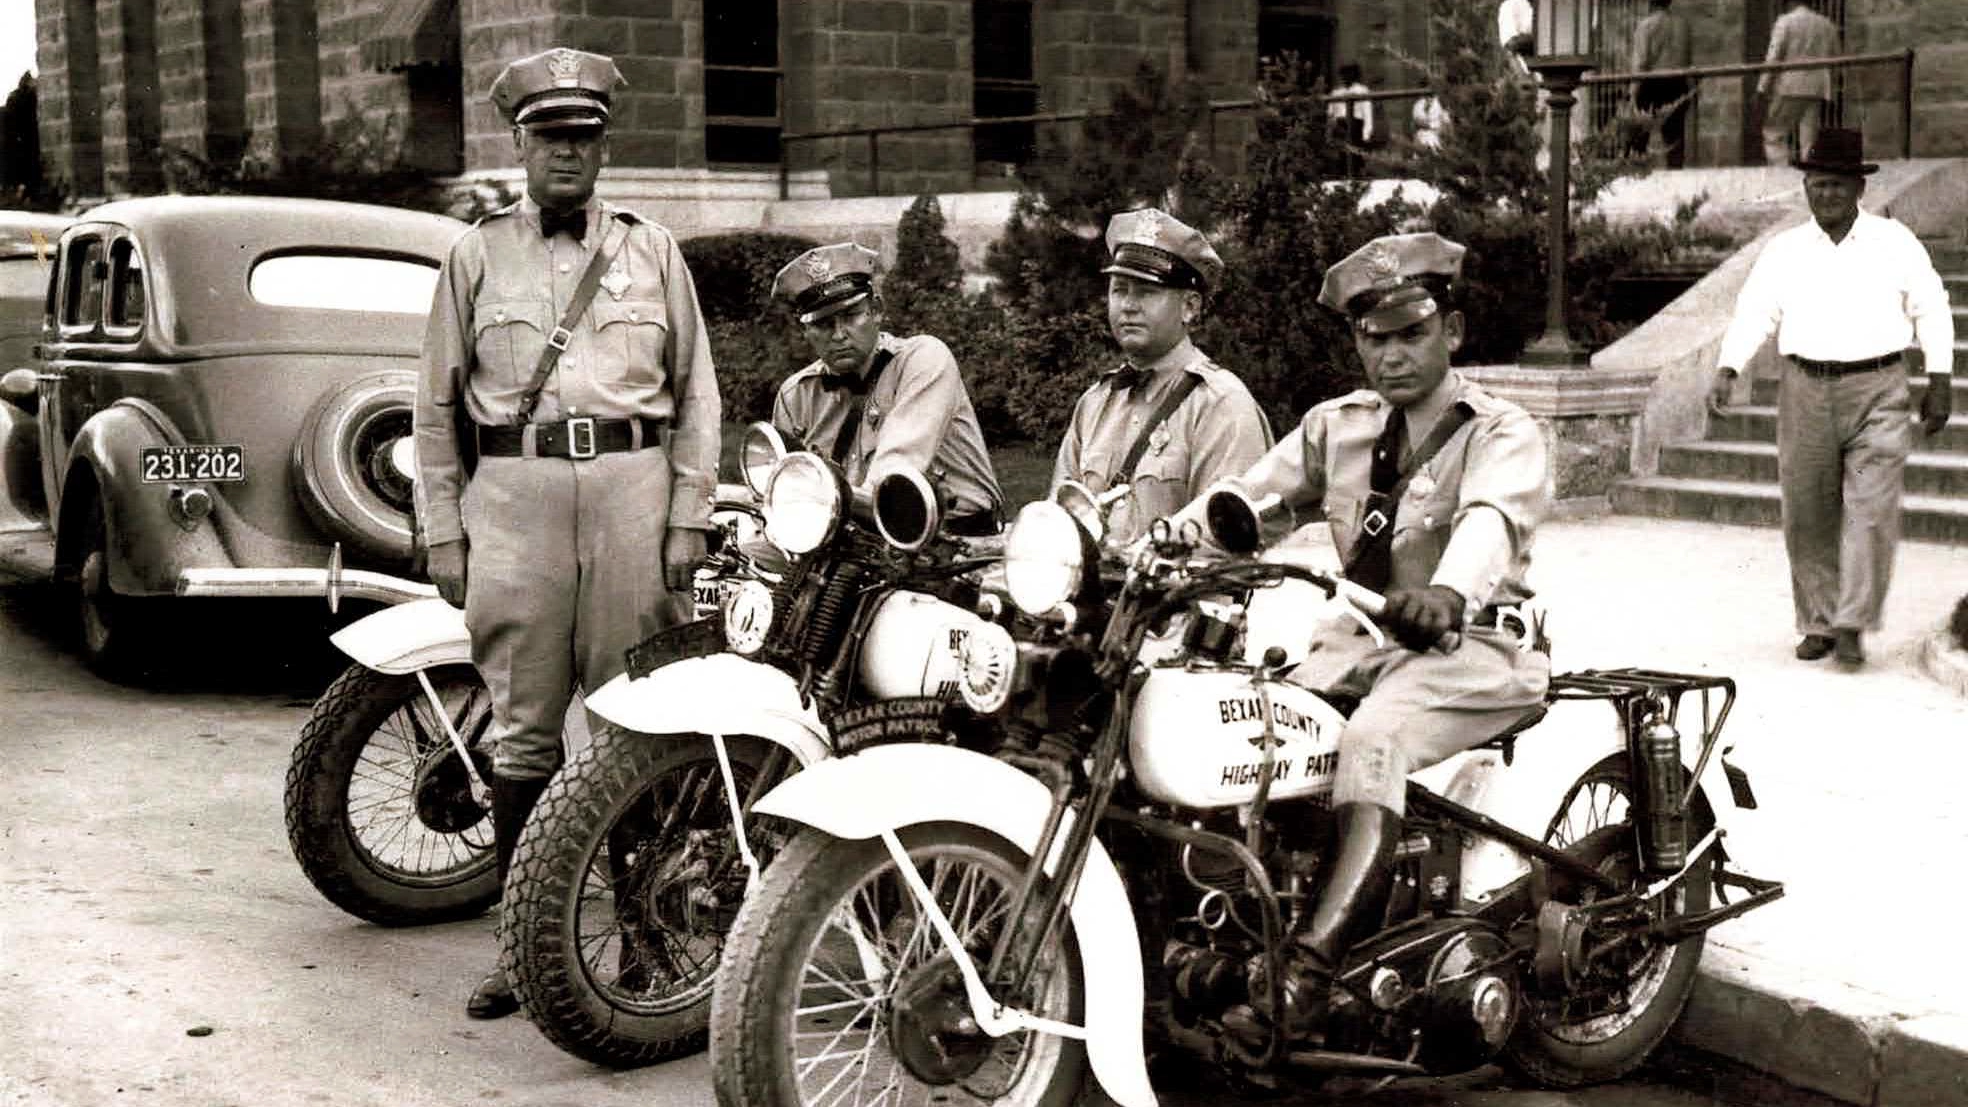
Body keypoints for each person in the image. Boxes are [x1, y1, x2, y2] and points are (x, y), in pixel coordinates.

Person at [412, 46, 722, 1020]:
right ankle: (524, 948)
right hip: (514, 500)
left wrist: (689, 516)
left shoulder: (652, 250)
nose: (566, 155)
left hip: (635, 496)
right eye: (549, 136)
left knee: (637, 725)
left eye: (583, 138)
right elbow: (433, 407)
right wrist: (444, 534)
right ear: (518, 143)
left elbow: (700, 397)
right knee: (523, 732)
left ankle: (646, 934)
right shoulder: (473, 255)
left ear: (602, 146)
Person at [1175, 232, 1550, 1032]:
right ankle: (1252, 924)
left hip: (1475, 644)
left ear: (1451, 331)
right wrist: (1149, 550)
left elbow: (1490, 518)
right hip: (1360, 643)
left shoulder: (1502, 431)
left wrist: (1447, 591)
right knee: (1255, 731)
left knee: (1371, 740)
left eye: (1412, 334)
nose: (1391, 356)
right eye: (1371, 338)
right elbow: (1244, 499)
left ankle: (1306, 978)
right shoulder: (1335, 427)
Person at [1709, 129, 1953, 668]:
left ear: (1858, 187)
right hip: (1805, 389)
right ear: (1806, 186)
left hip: (1879, 390)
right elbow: (1756, 312)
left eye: (1838, 185)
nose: (1827, 196)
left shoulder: (1895, 242)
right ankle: (1819, 622)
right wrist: (1729, 366)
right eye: (1817, 185)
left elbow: (1931, 305)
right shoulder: (1785, 250)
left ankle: (1852, 622)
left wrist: (1940, 378)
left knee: (1871, 511)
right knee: (1808, 511)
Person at [1051, 208, 1272, 547]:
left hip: (1182, 597)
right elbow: (1055, 525)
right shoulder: (1094, 403)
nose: (1128, 305)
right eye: (1119, 290)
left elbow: (1227, 545)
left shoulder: (1221, 405)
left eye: (1147, 292)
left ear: (1190, 307)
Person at [768, 242, 1004, 534]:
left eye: (852, 315)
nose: (840, 334)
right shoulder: (796, 395)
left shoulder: (923, 359)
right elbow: (784, 490)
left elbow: (895, 470)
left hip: (955, 543)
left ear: (877, 310)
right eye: (824, 324)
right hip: (855, 544)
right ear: (806, 330)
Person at [1758, 0, 1838, 168]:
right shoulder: (1826, 24)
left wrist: (1763, 86)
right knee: (1809, 135)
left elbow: (1774, 55)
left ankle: (1781, 170)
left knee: (1774, 132)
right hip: (1817, 86)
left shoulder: (1785, 22)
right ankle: (1809, 169)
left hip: (1790, 84)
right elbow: (1836, 57)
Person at [1628, 0, 1693, 168]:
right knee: (1674, 135)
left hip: (1653, 82)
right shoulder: (1683, 26)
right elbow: (1687, 59)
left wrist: (1632, 92)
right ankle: (1675, 171)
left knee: (1639, 134)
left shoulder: (1646, 26)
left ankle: (1637, 170)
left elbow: (1641, 62)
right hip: (1678, 82)